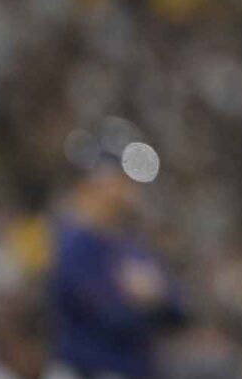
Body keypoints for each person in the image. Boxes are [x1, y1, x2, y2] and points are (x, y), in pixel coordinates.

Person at [49, 162, 185, 378]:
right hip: (86, 370)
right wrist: (148, 301)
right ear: (89, 189)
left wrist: (154, 299)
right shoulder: (74, 245)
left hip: (134, 368)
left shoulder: (133, 245)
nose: (125, 192)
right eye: (117, 183)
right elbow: (105, 316)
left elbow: (179, 311)